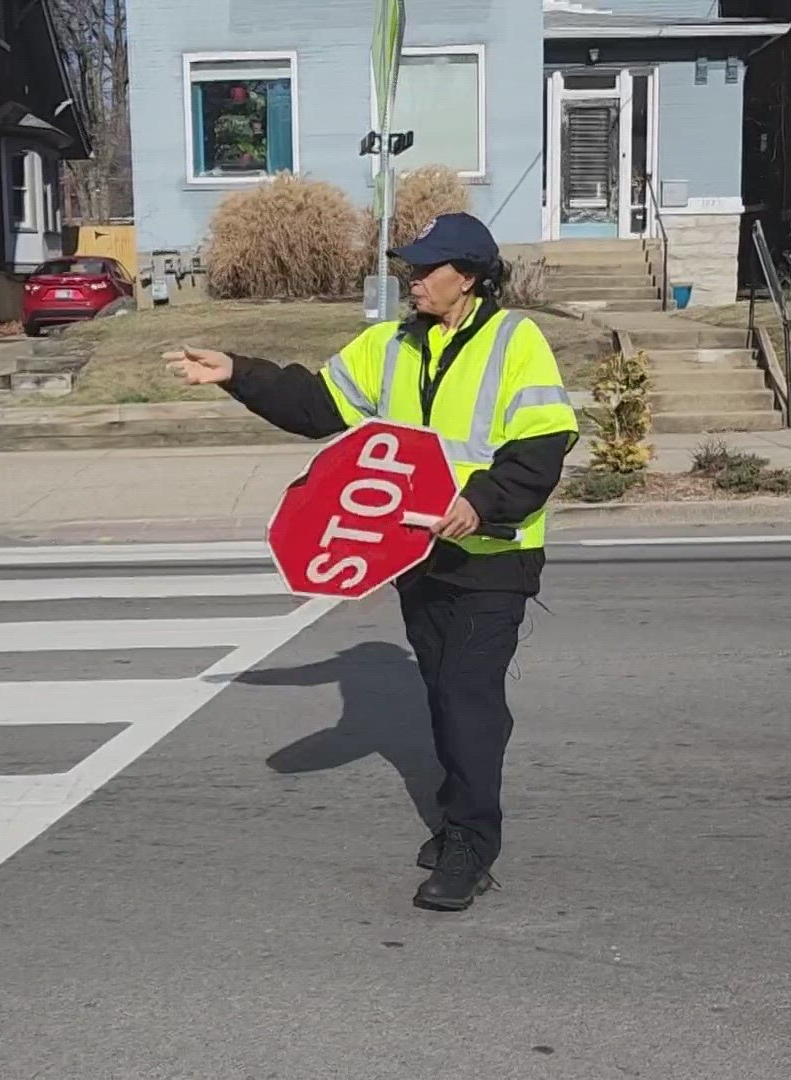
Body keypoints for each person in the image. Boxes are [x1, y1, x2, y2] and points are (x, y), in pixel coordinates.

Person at [165, 212, 579, 911]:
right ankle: (458, 809)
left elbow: (543, 444)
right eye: (410, 268)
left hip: (491, 555)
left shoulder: (516, 340)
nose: (412, 279)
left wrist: (480, 503)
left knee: (466, 696)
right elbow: (316, 404)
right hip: (416, 556)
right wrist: (238, 373)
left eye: (427, 269)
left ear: (470, 277)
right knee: (447, 690)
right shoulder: (388, 344)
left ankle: (471, 844)